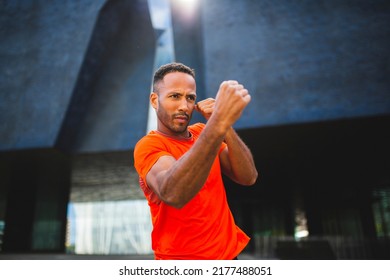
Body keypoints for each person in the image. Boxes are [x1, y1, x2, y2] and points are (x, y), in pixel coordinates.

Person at [133, 62, 258, 260]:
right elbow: (173, 192)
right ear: (155, 100)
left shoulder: (204, 131)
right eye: (175, 96)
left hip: (228, 255)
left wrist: (224, 127)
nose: (184, 106)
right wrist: (217, 124)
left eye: (190, 98)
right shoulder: (149, 145)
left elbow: (248, 176)